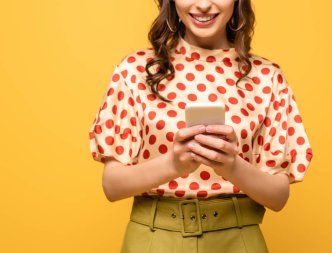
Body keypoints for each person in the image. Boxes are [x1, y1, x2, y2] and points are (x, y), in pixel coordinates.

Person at [88, 0, 313, 252]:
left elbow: (278, 197)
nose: (204, 4)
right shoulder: (135, 70)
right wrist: (173, 164)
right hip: (154, 240)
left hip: (238, 240)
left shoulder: (267, 77)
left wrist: (232, 165)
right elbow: (112, 185)